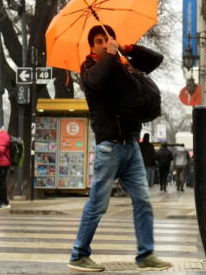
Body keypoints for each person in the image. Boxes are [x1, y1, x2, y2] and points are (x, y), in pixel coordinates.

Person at [68, 25, 171, 272]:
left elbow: (155, 60)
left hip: (131, 146)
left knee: (143, 201)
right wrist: (110, 56)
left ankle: (146, 254)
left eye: (108, 40)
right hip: (109, 148)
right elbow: (97, 80)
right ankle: (78, 254)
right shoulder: (89, 68)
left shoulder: (122, 63)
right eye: (99, 41)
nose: (104, 44)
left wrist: (127, 48)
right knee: (98, 204)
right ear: (92, 46)